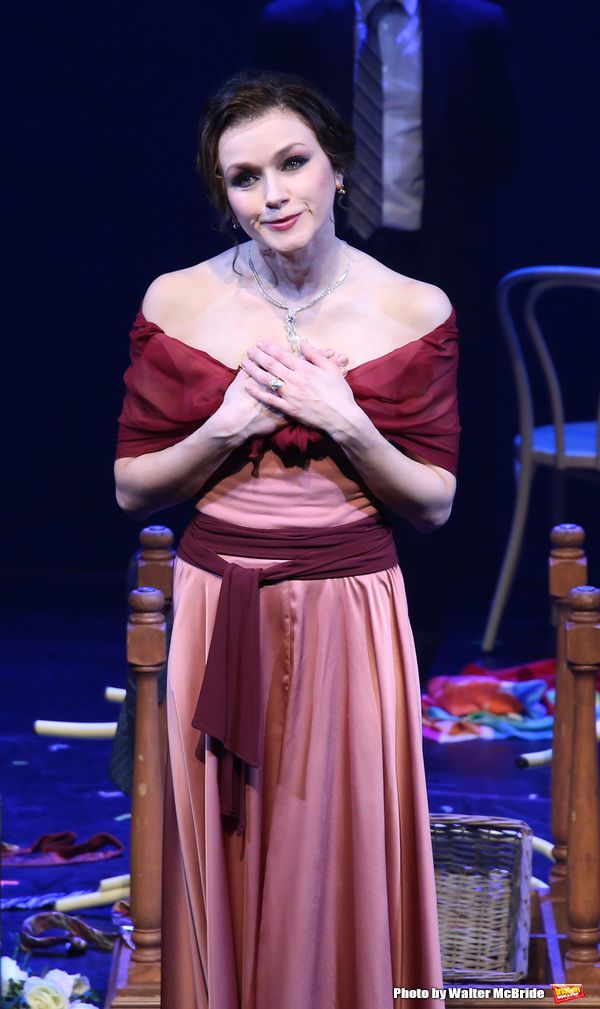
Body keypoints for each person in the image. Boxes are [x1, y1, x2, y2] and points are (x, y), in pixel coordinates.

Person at [115, 71, 459, 1009]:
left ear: (337, 167)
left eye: (292, 162)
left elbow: (433, 502)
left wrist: (344, 420)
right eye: (243, 177)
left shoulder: (411, 308)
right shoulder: (179, 300)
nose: (273, 193)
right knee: (214, 850)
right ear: (223, 199)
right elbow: (130, 486)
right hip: (218, 603)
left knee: (333, 850)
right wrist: (226, 425)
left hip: (351, 611)